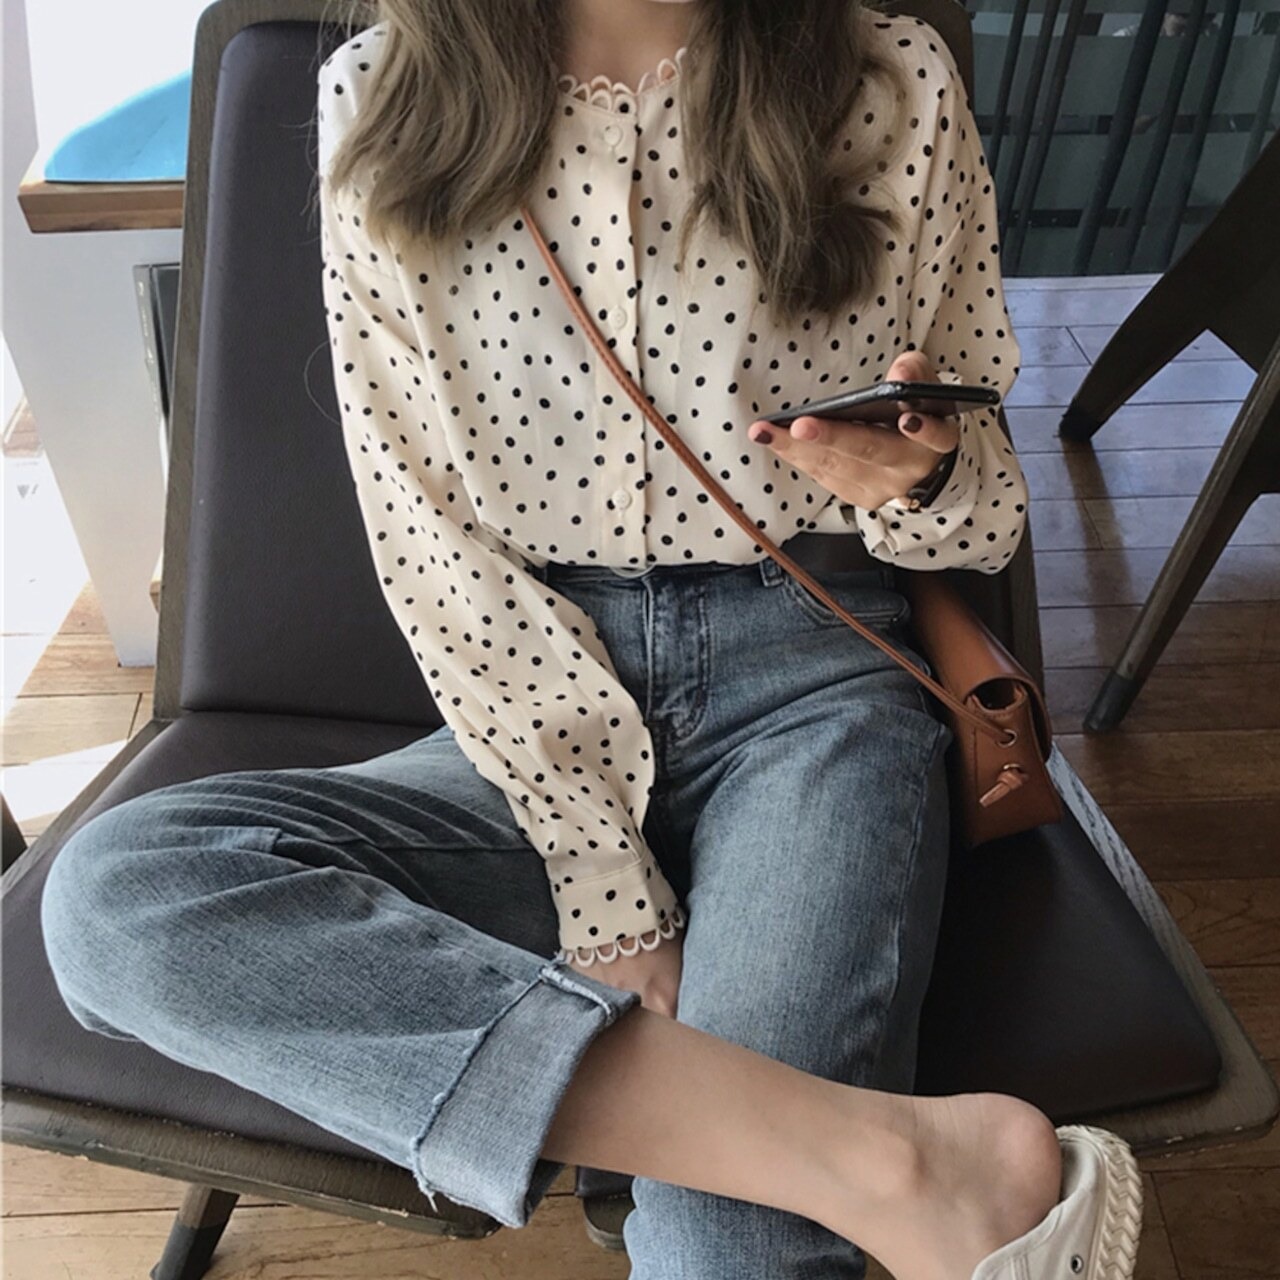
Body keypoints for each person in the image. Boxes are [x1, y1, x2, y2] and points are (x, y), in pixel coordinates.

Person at [40, 1, 1142, 1277]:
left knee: (725, 1238)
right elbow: (426, 531)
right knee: (120, 898)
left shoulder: (889, 79)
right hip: (527, 694)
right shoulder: (377, 98)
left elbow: (982, 506)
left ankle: (799, 1154)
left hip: (815, 673)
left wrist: (916, 478)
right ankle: (889, 1159)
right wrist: (604, 883)